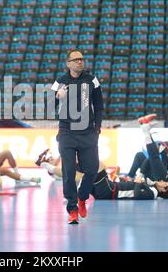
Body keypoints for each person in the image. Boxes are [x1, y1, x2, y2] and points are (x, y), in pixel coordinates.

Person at [51, 49, 104, 224]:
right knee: (68, 171)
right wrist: (58, 96)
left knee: (92, 169)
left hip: (88, 132)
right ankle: (72, 209)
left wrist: (97, 128)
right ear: (68, 63)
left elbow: (99, 104)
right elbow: (49, 104)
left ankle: (82, 197)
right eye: (76, 60)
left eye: (82, 59)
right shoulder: (59, 81)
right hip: (66, 132)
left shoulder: (92, 80)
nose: (80, 62)